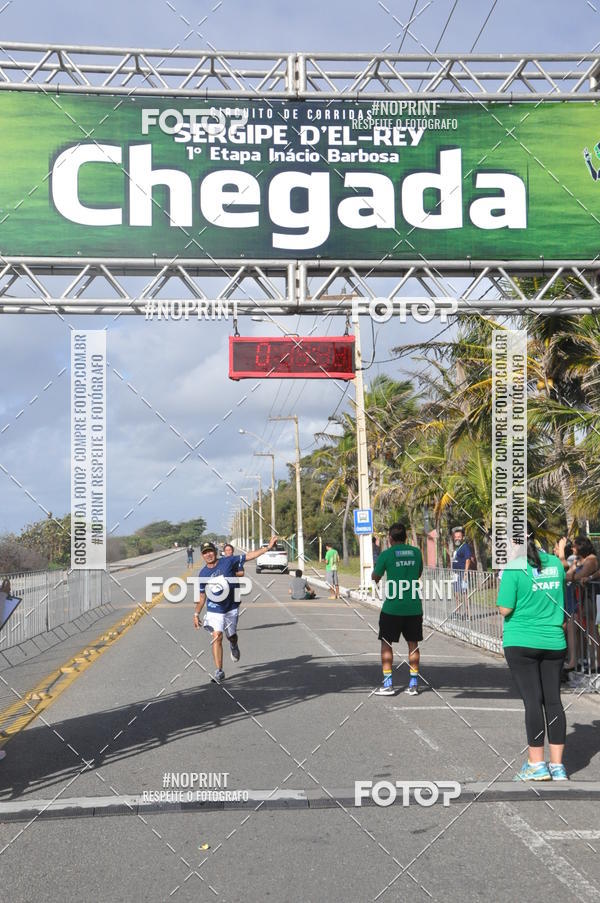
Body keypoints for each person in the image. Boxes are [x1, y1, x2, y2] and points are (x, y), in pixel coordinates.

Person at [497, 524, 568, 781]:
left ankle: (536, 764)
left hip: (521, 641)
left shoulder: (514, 568)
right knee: (553, 701)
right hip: (553, 642)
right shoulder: (556, 565)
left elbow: (505, 608)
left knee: (532, 701)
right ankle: (557, 766)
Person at [194, 536, 277, 683]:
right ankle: (219, 671)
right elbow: (201, 597)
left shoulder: (228, 561)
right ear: (202, 555)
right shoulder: (202, 574)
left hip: (231, 607)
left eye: (210, 551)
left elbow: (249, 556)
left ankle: (233, 644)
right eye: (205, 552)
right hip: (214, 609)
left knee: (231, 635)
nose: (208, 554)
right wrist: (196, 613)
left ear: (215, 552)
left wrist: (268, 548)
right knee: (216, 636)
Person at [371, 523, 423, 697]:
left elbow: (376, 576)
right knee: (413, 645)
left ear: (390, 538)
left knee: (386, 643)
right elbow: (418, 573)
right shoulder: (416, 553)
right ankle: (414, 684)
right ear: (406, 537)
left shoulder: (386, 554)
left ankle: (388, 685)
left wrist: (376, 576)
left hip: (392, 608)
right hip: (414, 607)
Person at [451, 526, 475, 618]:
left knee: (465, 594)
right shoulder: (457, 548)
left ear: (462, 537)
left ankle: (468, 614)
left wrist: (465, 574)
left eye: (459, 537)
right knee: (456, 593)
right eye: (456, 537)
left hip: (462, 574)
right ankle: (458, 612)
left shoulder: (465, 546)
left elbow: (468, 560)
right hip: (456, 574)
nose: (457, 538)